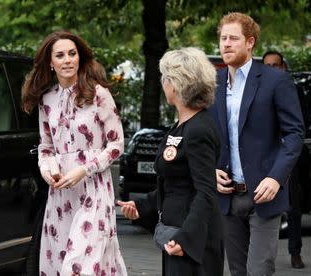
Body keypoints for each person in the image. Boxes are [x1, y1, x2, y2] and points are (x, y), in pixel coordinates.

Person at [21, 31, 127, 276]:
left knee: (80, 267)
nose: (67, 60)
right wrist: (48, 171)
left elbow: (116, 144)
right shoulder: (46, 100)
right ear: (51, 62)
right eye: (60, 55)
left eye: (72, 54)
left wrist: (84, 169)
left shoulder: (98, 94)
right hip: (61, 196)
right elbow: (46, 147)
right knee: (60, 264)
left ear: (80, 58)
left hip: (94, 189)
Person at [210, 13, 304, 276]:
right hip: (228, 196)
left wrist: (276, 178)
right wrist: (210, 169)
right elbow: (204, 136)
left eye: (233, 38)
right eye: (223, 38)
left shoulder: (275, 81)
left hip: (265, 194)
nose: (226, 44)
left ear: (250, 42)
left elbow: (295, 134)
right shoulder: (213, 84)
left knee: (259, 271)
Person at [117, 47, 224, 275]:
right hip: (176, 233)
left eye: (165, 77)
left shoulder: (198, 130)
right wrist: (142, 207)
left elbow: (205, 192)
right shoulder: (182, 125)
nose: (163, 83)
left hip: (190, 238)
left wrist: (186, 239)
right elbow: (176, 183)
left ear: (175, 85)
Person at [263, 50, 309, 269]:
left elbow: (300, 125)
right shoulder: (255, 92)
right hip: (262, 157)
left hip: (289, 156)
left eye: (275, 65)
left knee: (293, 206)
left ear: (283, 68)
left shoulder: (294, 90)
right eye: (267, 66)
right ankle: (261, 256)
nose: (271, 69)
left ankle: (295, 252)